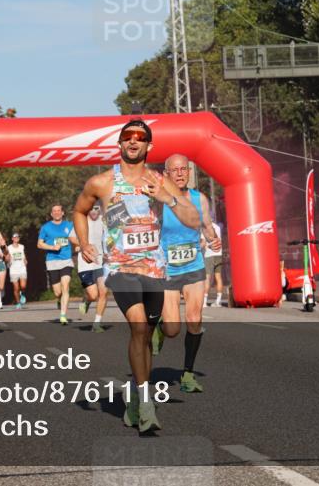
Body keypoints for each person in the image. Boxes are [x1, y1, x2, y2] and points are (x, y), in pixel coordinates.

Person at [74, 119, 201, 432]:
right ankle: (146, 402)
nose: (133, 141)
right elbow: (79, 210)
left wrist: (168, 198)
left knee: (162, 331)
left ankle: (134, 395)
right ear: (119, 144)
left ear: (149, 146)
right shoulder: (101, 183)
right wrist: (86, 243)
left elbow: (193, 217)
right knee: (139, 327)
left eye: (140, 137)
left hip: (154, 268)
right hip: (120, 268)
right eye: (127, 137)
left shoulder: (159, 181)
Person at [153, 154, 221, 394]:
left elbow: (207, 226)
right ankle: (161, 330)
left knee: (194, 319)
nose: (180, 173)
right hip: (168, 268)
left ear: (189, 172)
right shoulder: (159, 199)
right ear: (167, 173)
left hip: (193, 265)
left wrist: (213, 239)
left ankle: (188, 374)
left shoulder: (198, 198)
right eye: (175, 170)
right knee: (173, 329)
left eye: (184, 169)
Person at [72, 204, 108, 332]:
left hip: (101, 261)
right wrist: (82, 244)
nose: (93, 211)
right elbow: (71, 237)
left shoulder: (104, 221)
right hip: (85, 262)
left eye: (96, 209)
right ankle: (86, 300)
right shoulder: (81, 221)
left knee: (103, 292)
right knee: (93, 295)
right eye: (91, 209)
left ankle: (96, 323)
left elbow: (112, 236)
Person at [38, 204, 75, 325]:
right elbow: (39, 244)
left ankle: (63, 315)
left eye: (59, 210)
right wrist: (52, 247)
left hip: (66, 260)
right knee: (57, 292)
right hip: (52, 260)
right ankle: (59, 300)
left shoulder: (69, 225)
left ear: (63, 213)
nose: (57, 213)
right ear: (51, 214)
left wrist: (79, 245)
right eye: (54, 211)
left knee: (65, 286)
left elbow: (75, 237)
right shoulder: (46, 227)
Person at [203, 220, 224, 307]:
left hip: (209, 255)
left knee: (207, 278)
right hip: (219, 254)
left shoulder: (205, 228)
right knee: (218, 278)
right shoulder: (218, 227)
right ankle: (218, 301)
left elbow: (204, 243)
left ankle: (204, 302)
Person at [6, 232, 28, 309]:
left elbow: (23, 255)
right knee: (16, 288)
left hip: (22, 268)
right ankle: (18, 302)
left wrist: (25, 260)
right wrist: (7, 259)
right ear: (12, 239)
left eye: (17, 237)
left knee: (23, 286)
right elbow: (6, 257)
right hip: (13, 269)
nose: (16, 238)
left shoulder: (22, 246)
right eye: (15, 237)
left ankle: (23, 294)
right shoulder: (9, 248)